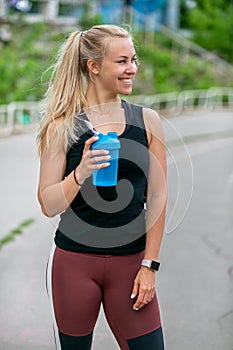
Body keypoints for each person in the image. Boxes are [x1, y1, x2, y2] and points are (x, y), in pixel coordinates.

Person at [37, 24, 167, 350]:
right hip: (74, 263)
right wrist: (79, 173)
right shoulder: (63, 127)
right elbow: (48, 204)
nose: (132, 69)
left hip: (132, 263)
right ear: (93, 66)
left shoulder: (147, 121)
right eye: (121, 61)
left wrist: (149, 265)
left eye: (133, 60)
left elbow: (158, 197)